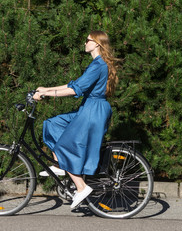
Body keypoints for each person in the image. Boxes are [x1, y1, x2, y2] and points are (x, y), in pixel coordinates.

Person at [32, 30, 119, 209]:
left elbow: (75, 90)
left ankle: (81, 187)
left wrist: (47, 95)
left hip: (93, 111)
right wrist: (46, 89)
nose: (85, 43)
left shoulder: (99, 65)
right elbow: (74, 84)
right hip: (89, 108)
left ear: (96, 43)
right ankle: (62, 165)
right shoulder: (97, 63)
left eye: (87, 40)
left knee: (66, 145)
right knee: (52, 124)